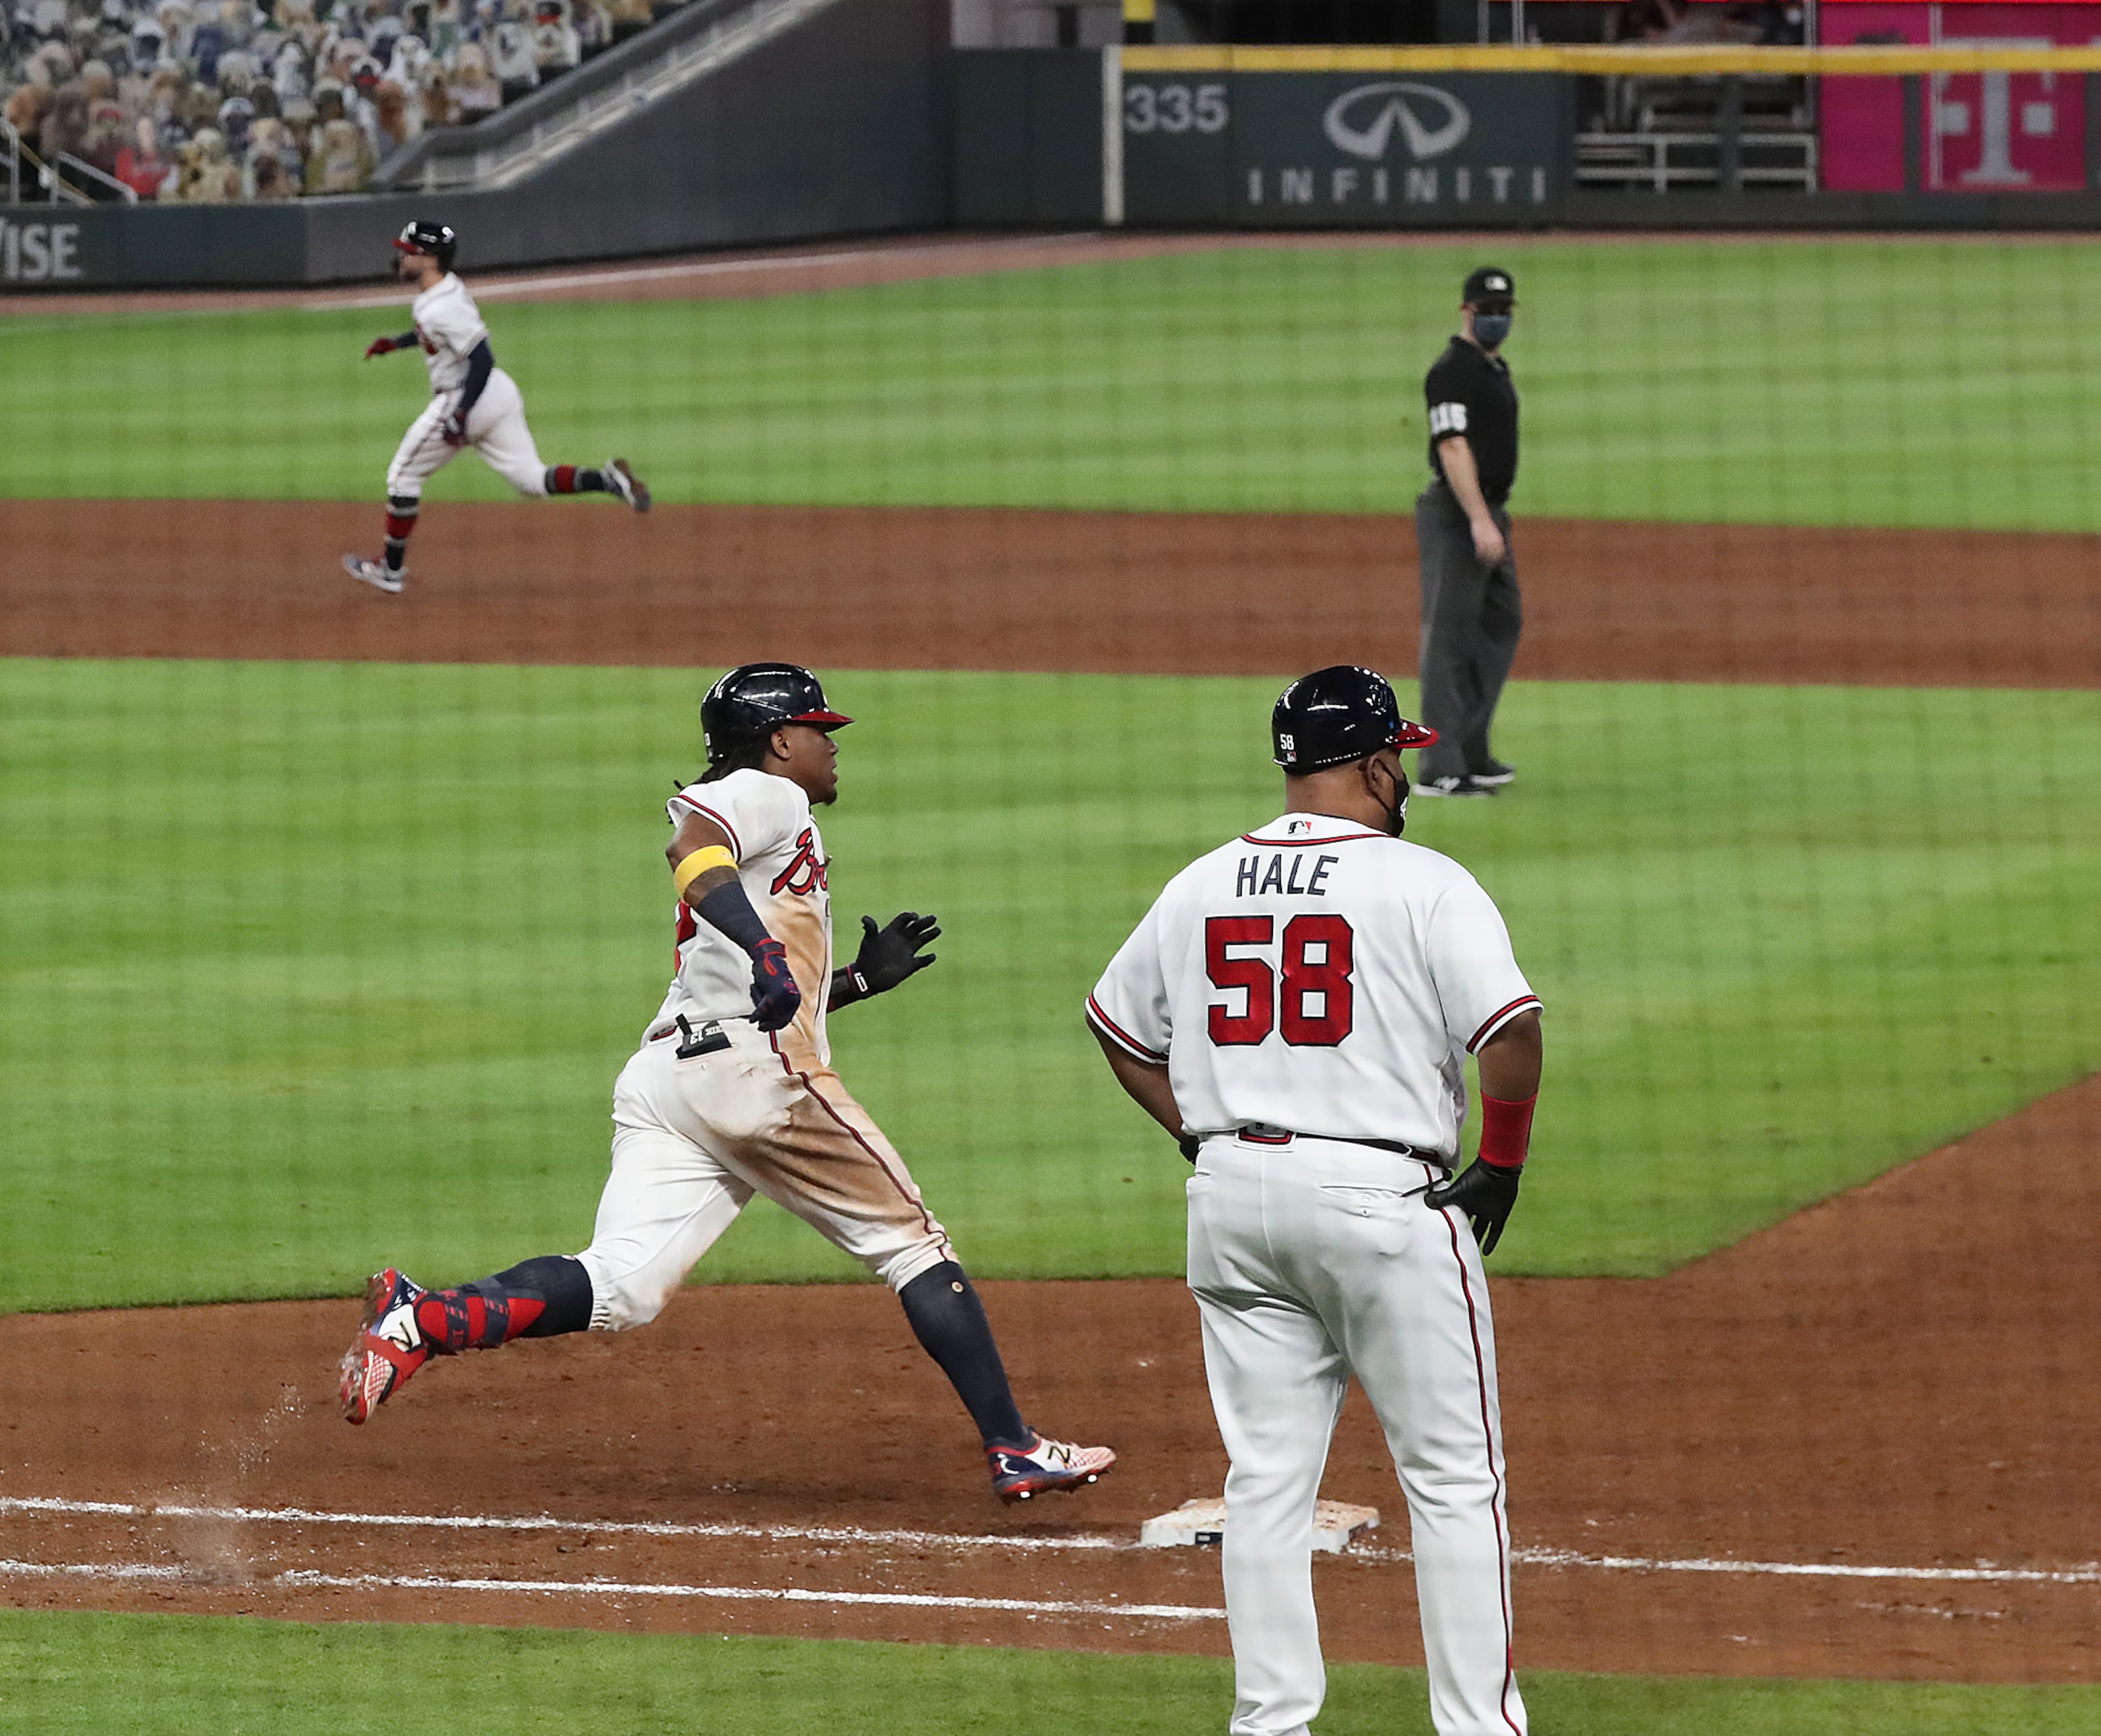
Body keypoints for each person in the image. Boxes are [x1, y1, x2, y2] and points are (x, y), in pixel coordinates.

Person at [338, 664, 1121, 1507]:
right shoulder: (767, 793)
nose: (830, 746)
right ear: (780, 740)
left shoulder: (777, 815)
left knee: (624, 1284)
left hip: (671, 1077)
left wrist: (854, 981)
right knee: (913, 1245)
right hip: (751, 1079)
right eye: (821, 730)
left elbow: (753, 980)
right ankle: (1016, 1446)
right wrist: (768, 951)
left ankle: (422, 1319)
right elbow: (694, 851)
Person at [1087, 665, 1543, 1736]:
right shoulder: (1422, 880)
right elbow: (1511, 1031)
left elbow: (1116, 1026)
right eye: (1406, 758)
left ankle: (1270, 1723)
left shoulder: (1200, 880)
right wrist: (1505, 1162)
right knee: (1453, 1481)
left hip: (1231, 1203)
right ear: (1380, 762)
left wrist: (1205, 1139)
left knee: (1266, 1480)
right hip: (1379, 1200)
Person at [340, 219, 650, 596]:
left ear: (430, 258)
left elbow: (482, 358)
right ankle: (606, 480)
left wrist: (460, 414)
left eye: (407, 252)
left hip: (467, 396)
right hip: (499, 396)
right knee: (531, 480)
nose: (399, 258)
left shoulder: (441, 306)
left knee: (402, 478)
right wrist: (397, 343)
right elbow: (438, 334)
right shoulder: (445, 291)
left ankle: (390, 571)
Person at [1414, 266, 1523, 797]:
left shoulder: (1491, 368)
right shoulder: (1452, 372)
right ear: (1466, 312)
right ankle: (1439, 764)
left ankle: (1471, 750)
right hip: (1459, 516)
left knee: (1501, 624)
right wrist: (1479, 518)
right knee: (1450, 640)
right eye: (1488, 312)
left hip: (1487, 513)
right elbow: (1451, 445)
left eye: (1505, 312)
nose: (1497, 320)